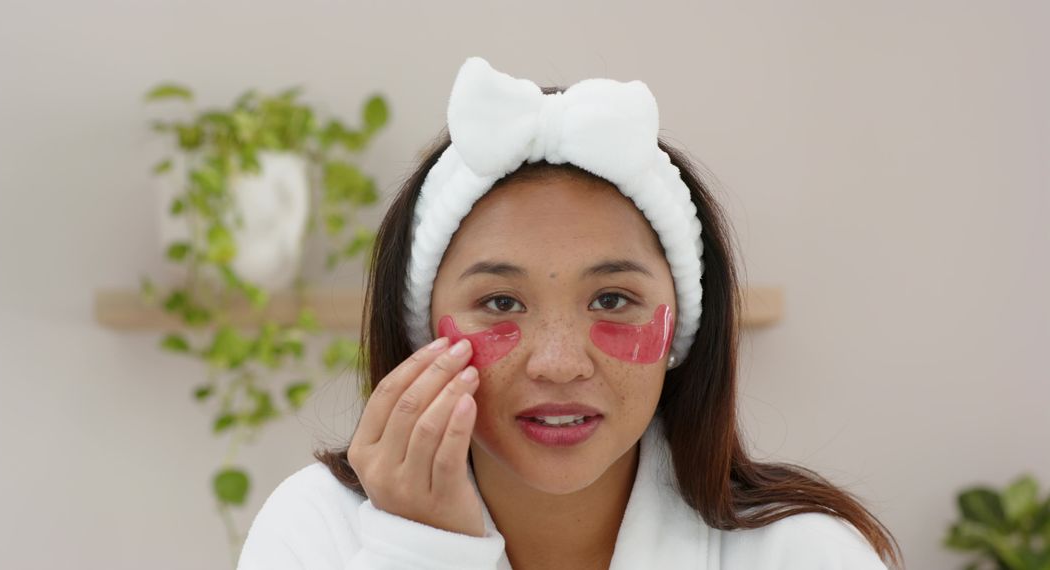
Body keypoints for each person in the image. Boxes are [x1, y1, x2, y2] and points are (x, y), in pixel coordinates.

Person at [237, 57, 903, 570]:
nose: (559, 363)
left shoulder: (807, 555)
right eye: (501, 302)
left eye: (612, 300)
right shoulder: (315, 531)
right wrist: (422, 550)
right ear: (421, 336)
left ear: (682, 330)